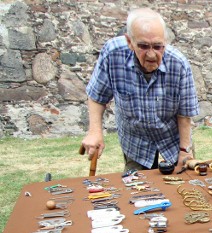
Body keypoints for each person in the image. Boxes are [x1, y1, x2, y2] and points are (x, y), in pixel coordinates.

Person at [82, 8, 199, 171]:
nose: (151, 54)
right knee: (137, 190)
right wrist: (95, 131)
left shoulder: (178, 64)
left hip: (172, 139)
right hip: (135, 142)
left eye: (158, 47)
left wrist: (184, 151)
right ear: (130, 42)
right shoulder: (112, 54)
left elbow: (185, 114)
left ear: (165, 41)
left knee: (184, 188)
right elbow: (97, 96)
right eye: (143, 46)